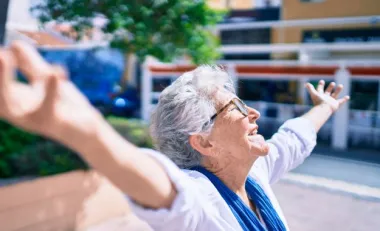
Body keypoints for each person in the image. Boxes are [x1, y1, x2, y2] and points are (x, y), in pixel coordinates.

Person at [0, 42, 349, 231]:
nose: (253, 113)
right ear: (203, 141)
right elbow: (158, 185)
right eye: (236, 107)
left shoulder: (253, 174)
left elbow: (293, 138)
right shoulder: (198, 201)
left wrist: (326, 108)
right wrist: (88, 131)